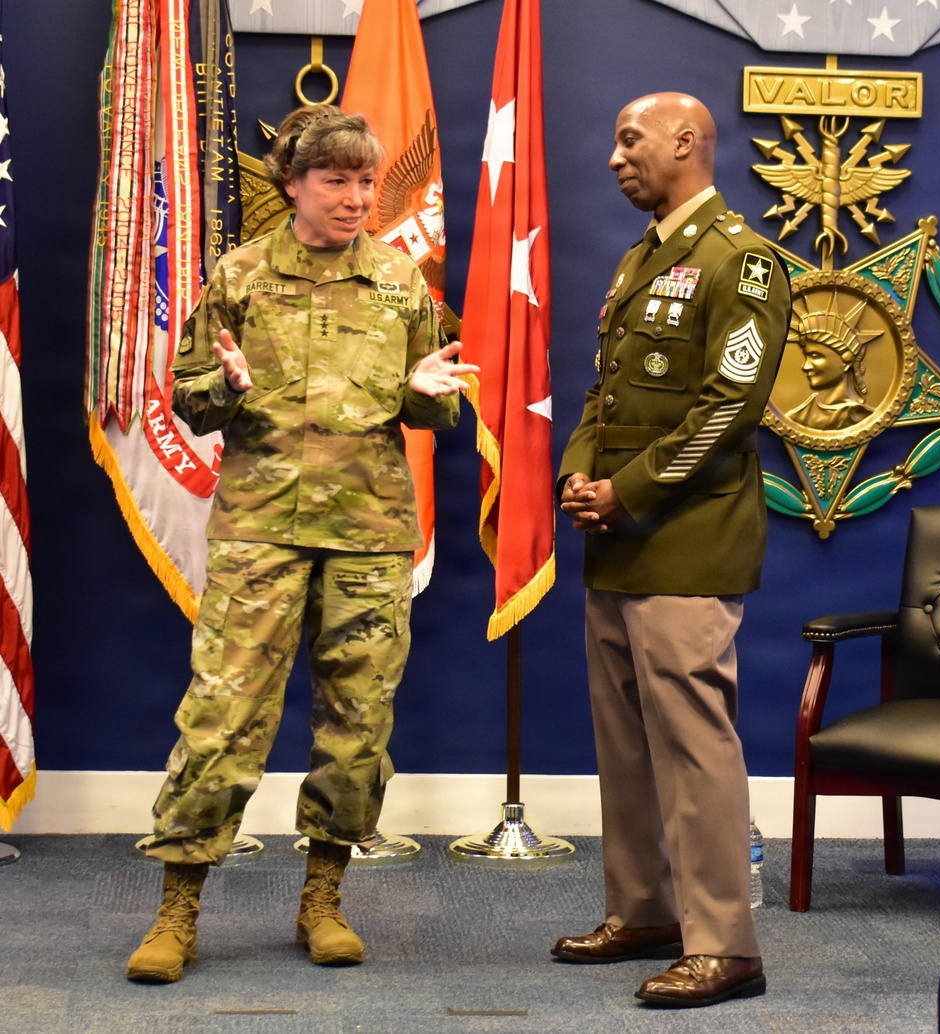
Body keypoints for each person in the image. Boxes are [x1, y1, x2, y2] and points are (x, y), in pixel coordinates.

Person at [126, 104, 478, 984]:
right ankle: (178, 908)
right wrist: (222, 381)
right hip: (260, 534)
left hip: (366, 538)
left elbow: (433, 403)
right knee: (221, 719)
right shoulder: (239, 276)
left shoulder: (401, 284)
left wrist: (429, 389)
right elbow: (192, 399)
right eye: (337, 180)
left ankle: (323, 899)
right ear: (293, 184)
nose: (358, 196)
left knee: (357, 728)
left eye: (366, 180)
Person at [552, 92, 791, 1009]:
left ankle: (726, 943)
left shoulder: (743, 261)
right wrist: (579, 474)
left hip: (686, 545)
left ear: (686, 142)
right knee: (628, 750)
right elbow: (603, 396)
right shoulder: (641, 259)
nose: (615, 158)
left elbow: (729, 411)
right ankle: (645, 910)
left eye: (630, 140)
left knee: (695, 754)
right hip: (614, 545)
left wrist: (630, 491)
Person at [785, 298, 881, 431]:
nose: (805, 366)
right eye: (807, 356)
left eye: (815, 356)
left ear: (846, 359)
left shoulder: (864, 419)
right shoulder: (796, 417)